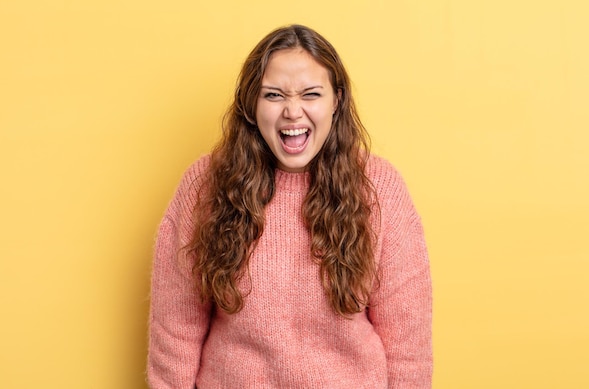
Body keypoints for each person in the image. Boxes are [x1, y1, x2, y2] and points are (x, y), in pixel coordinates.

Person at [147, 24, 432, 388]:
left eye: (311, 94)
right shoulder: (204, 187)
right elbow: (174, 333)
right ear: (251, 105)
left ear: (337, 100)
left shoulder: (380, 189)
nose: (293, 112)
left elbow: (408, 346)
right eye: (274, 95)